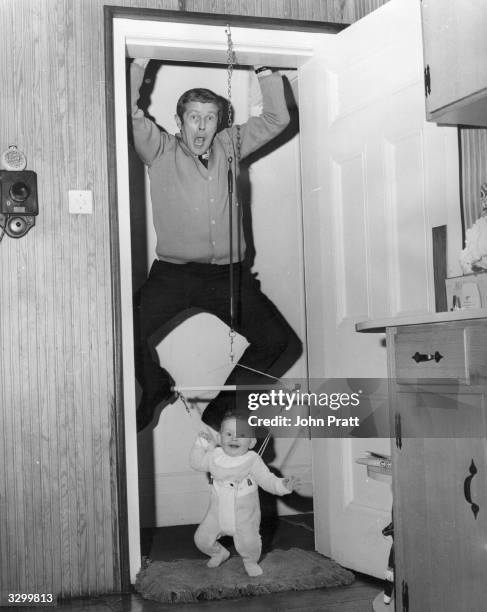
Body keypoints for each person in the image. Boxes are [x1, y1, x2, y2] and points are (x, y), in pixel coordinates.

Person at [130, 58, 302, 432]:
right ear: (180, 121)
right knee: (122, 329)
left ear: (220, 122)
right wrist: (139, 61)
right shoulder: (159, 150)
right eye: (194, 117)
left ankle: (220, 410)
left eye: (210, 117)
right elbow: (130, 113)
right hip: (173, 276)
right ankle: (156, 385)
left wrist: (265, 72)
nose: (202, 125)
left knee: (277, 342)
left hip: (229, 277)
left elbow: (278, 119)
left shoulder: (231, 144)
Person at [190, 412, 300, 576]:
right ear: (220, 439)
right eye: (229, 434)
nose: (234, 438)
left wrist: (283, 484)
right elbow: (196, 463)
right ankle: (218, 552)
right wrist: (200, 445)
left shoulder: (252, 459)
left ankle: (250, 561)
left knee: (249, 543)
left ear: (251, 442)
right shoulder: (215, 456)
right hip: (216, 514)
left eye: (241, 435)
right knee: (201, 539)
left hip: (244, 515)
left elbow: (267, 479)